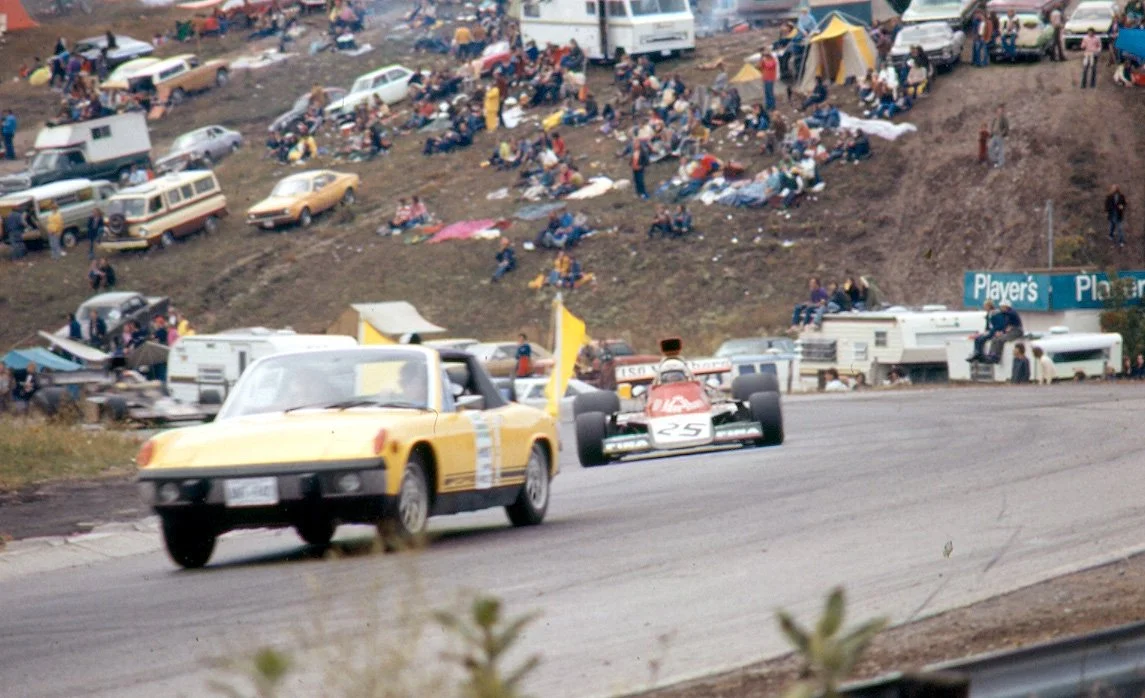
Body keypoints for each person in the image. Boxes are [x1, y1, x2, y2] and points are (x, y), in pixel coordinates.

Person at [989, 104, 1008, 168]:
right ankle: (995, 160)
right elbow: (992, 127)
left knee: (1000, 150)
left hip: (1000, 136)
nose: (999, 111)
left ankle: (1001, 164)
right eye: (998, 110)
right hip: (994, 135)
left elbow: (1006, 128)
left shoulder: (1004, 119)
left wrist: (1002, 134)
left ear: (1002, 111)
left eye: (1000, 110)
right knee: (990, 148)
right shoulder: (995, 119)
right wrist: (991, 134)